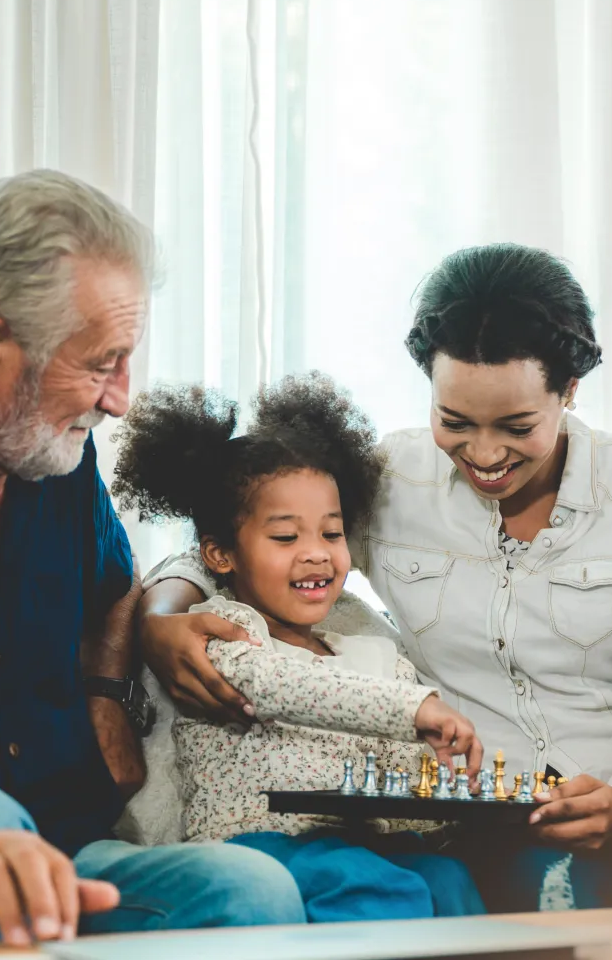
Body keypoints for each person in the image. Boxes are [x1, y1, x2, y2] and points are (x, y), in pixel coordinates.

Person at [140, 242, 612, 912]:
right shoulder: (391, 476)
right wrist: (163, 618)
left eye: (517, 426)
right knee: (566, 905)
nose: (484, 455)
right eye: (453, 421)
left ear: (570, 391)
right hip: (500, 811)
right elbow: (245, 527)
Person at [0, 170, 306, 947]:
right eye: (100, 363)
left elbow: (116, 585)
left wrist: (108, 698)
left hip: (75, 845)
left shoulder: (58, 455)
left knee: (250, 888)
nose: (120, 399)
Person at [110, 374, 486, 920]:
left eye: (331, 534)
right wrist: (417, 709)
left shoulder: (363, 647)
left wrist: (448, 781)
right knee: (375, 888)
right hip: (259, 844)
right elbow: (293, 689)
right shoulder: (224, 633)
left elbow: (404, 758)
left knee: (449, 879)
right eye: (286, 537)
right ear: (219, 555)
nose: (316, 554)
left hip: (355, 841)